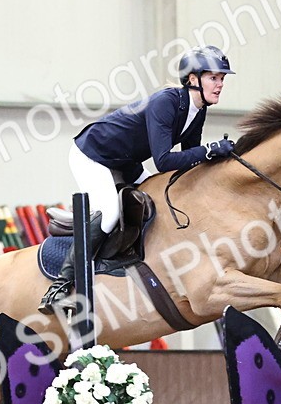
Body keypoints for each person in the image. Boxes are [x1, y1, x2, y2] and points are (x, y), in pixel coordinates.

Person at [37, 45, 237, 314]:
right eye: (214, 78)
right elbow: (164, 161)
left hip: (126, 162)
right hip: (93, 154)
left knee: (157, 201)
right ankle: (60, 286)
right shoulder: (166, 102)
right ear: (193, 79)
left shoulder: (198, 110)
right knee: (109, 213)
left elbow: (189, 159)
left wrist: (216, 159)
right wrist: (209, 150)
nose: (220, 84)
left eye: (222, 79)